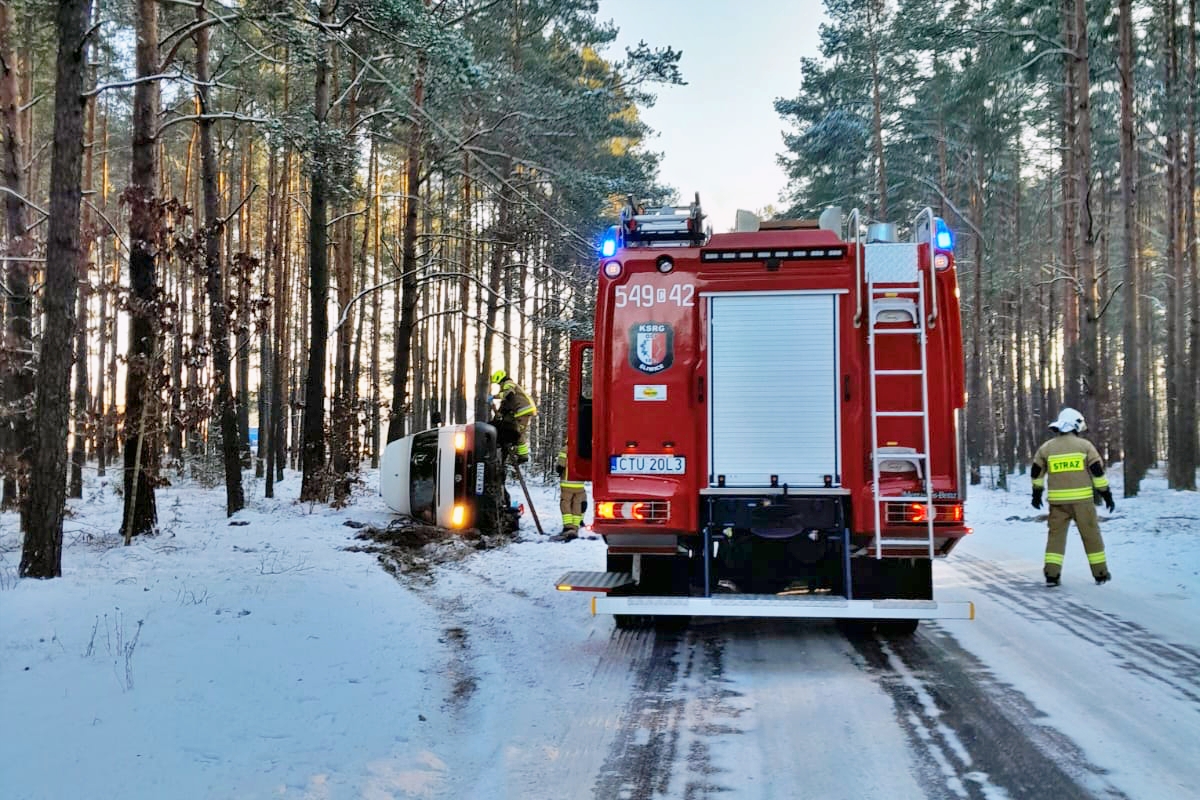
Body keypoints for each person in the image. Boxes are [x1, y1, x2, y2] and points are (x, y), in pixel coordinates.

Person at [1031, 408, 1114, 587]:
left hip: (1057, 504)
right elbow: (1097, 473)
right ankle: (1100, 573)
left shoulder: (1046, 448)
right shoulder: (1085, 446)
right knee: (1091, 536)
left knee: (1055, 538)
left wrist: (1036, 494)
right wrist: (1106, 494)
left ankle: (1052, 575)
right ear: (1075, 425)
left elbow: (1036, 472)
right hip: (1083, 503)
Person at [490, 369, 537, 464]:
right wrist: (499, 415)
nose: (499, 385)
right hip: (520, 411)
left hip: (523, 410)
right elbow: (506, 404)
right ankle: (517, 452)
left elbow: (508, 393)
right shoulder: (507, 385)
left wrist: (494, 397)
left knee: (518, 432)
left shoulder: (508, 383)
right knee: (512, 428)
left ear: (500, 380)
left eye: (498, 383)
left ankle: (523, 456)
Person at [556, 444, 587, 540]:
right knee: (577, 504)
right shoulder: (583, 448)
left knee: (565, 504)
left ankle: (568, 526)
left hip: (567, 482)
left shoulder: (566, 449)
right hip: (579, 483)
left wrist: (559, 470)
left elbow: (561, 465)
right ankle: (576, 525)